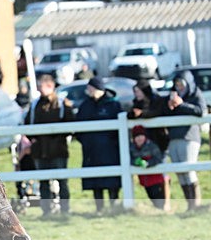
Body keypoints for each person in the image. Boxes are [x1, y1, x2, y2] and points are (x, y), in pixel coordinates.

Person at [24, 74, 75, 216]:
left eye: (42, 86)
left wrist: (56, 138)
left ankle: (65, 209)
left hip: (58, 149)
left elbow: (70, 124)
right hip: (39, 150)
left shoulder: (62, 103)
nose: (40, 89)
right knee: (43, 182)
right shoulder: (35, 105)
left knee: (62, 181)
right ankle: (46, 210)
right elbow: (27, 125)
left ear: (51, 86)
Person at [158, 70, 206, 211]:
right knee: (180, 172)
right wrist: (170, 106)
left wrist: (181, 104)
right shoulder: (173, 96)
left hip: (189, 137)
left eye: (181, 84)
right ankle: (189, 204)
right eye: (177, 84)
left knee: (188, 170)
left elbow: (200, 111)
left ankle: (195, 204)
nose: (179, 87)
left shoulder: (196, 94)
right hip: (174, 137)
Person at [75, 77, 123, 214]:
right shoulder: (85, 105)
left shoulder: (113, 105)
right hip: (91, 150)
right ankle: (99, 209)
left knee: (112, 180)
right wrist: (87, 141)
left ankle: (114, 207)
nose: (88, 90)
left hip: (110, 150)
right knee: (95, 181)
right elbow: (78, 128)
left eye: (90, 87)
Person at [130, 125, 170, 211]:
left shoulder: (152, 146)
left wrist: (148, 163)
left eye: (141, 136)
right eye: (137, 136)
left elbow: (158, 158)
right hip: (144, 179)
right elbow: (130, 159)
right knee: (151, 195)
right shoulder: (132, 148)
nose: (139, 138)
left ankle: (162, 208)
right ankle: (158, 208)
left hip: (155, 178)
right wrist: (136, 162)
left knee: (158, 195)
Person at [128, 80, 168, 152]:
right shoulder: (136, 103)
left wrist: (141, 113)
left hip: (158, 138)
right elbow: (130, 115)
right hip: (143, 140)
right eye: (135, 91)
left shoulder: (156, 100)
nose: (136, 94)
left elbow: (157, 112)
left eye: (138, 91)